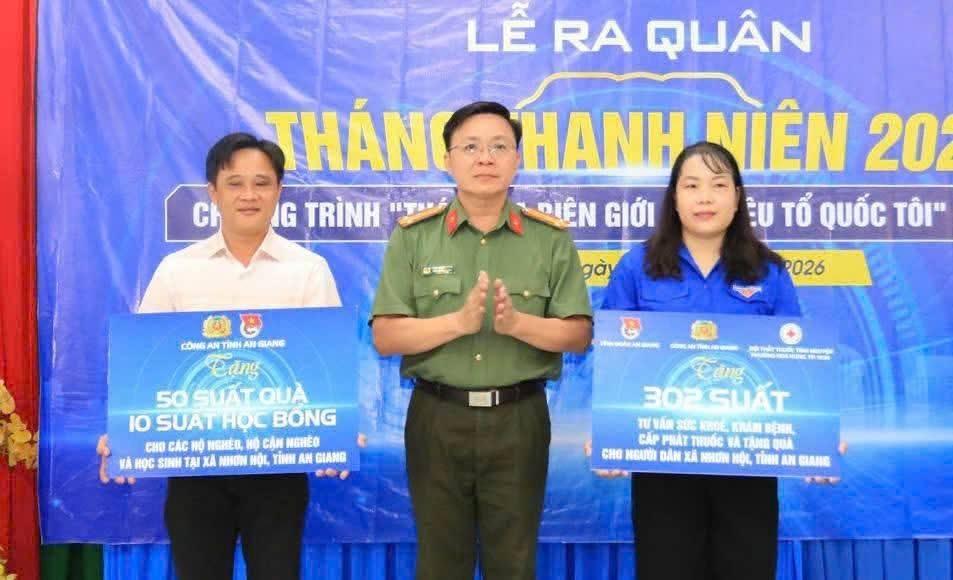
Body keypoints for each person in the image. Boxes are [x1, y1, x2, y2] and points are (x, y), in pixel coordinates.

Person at [97, 132, 361, 580]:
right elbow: (146, 363)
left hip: (278, 468)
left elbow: (326, 367)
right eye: (235, 183)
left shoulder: (308, 270)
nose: (249, 195)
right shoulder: (177, 270)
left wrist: (338, 432)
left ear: (278, 191)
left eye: (261, 183)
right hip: (195, 468)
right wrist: (121, 435)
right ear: (213, 193)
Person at [371, 101, 592, 580]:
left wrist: (518, 325)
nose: (485, 158)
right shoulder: (413, 237)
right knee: (439, 564)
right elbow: (385, 336)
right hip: (436, 417)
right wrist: (458, 321)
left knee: (513, 564)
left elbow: (578, 334)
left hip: (519, 420)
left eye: (499, 147)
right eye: (470, 147)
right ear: (447, 160)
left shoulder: (550, 239)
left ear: (517, 160)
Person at [598, 141, 803, 580]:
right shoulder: (635, 268)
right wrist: (607, 433)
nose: (705, 197)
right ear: (674, 198)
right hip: (662, 460)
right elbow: (612, 361)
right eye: (691, 185)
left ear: (737, 197)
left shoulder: (770, 272)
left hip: (749, 461)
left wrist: (817, 438)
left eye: (718, 185)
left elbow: (798, 364)